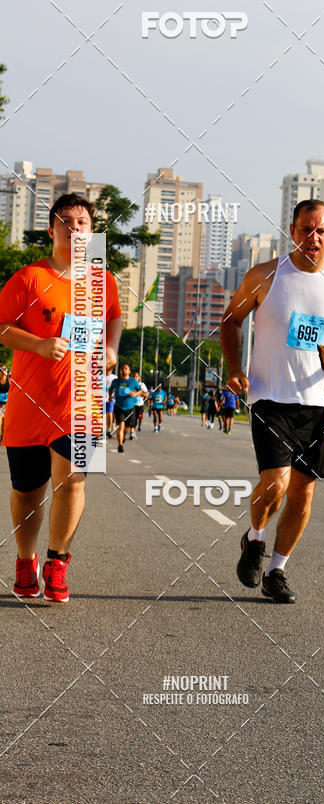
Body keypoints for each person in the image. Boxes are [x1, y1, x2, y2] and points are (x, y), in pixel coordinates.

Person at [221, 199, 324, 604]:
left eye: (320, 230)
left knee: (303, 493)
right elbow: (231, 321)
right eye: (305, 229)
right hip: (270, 395)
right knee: (277, 482)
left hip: (317, 403)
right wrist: (234, 367)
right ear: (292, 230)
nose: (312, 238)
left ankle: (276, 569)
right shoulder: (267, 276)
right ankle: (255, 536)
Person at [0, 193, 122, 602]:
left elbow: (115, 317)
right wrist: (37, 344)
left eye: (83, 222)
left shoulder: (102, 280)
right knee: (28, 491)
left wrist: (112, 348)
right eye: (66, 221)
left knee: (73, 481)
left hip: (82, 402)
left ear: (92, 231)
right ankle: (24, 559)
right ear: (52, 230)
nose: (75, 228)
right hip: (30, 403)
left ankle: (57, 561)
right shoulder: (28, 278)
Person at [109, 363, 141, 452]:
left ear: (129, 371)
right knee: (120, 426)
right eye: (122, 368)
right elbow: (111, 389)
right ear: (120, 371)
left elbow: (140, 391)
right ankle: (120, 445)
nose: (123, 370)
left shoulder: (133, 381)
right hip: (119, 407)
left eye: (126, 368)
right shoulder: (116, 381)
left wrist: (135, 394)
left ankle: (123, 436)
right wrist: (110, 396)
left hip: (130, 408)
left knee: (127, 428)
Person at [132, 370, 148, 437]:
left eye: (136, 376)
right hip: (132, 405)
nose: (135, 377)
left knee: (139, 417)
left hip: (140, 404)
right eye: (134, 376)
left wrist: (142, 393)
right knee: (133, 419)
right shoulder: (130, 384)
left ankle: (138, 427)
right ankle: (133, 432)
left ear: (139, 378)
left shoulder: (142, 385)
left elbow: (147, 395)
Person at [105, 368, 117, 438]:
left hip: (110, 400)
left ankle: (108, 430)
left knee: (109, 414)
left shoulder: (114, 377)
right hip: (100, 400)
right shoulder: (99, 376)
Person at [0, 363, 10, 443]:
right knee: (0, 419)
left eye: (4, 369)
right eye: (1, 369)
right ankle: (0, 436)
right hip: (0, 402)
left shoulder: (8, 378)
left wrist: (6, 376)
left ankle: (3, 436)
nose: (3, 371)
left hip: (6, 402)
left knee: (4, 420)